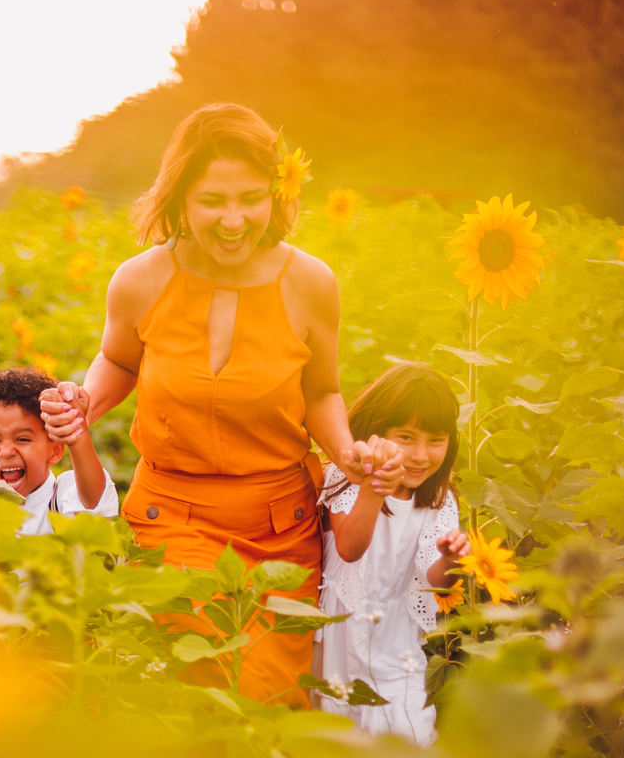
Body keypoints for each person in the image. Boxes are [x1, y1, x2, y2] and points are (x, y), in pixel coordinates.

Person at [39, 102, 404, 706]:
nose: (235, 220)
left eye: (252, 198)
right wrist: (83, 403)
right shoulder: (139, 280)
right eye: (213, 201)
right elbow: (119, 361)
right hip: (170, 521)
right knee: (198, 698)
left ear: (276, 196)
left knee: (271, 705)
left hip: (280, 534)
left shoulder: (311, 283)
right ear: (179, 198)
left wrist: (348, 453)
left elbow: (322, 391)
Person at [315, 363, 470, 744]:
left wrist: (452, 559)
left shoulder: (438, 498)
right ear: (377, 433)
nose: (420, 455)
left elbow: (434, 581)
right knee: (338, 733)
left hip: (397, 638)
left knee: (408, 731)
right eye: (405, 437)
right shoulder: (345, 476)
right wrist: (375, 484)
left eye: (436, 439)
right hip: (342, 630)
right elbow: (350, 549)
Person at [0, 367, 118, 535]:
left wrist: (74, 430)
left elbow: (93, 502)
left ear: (55, 451)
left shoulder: (60, 499)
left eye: (22, 439)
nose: (6, 452)